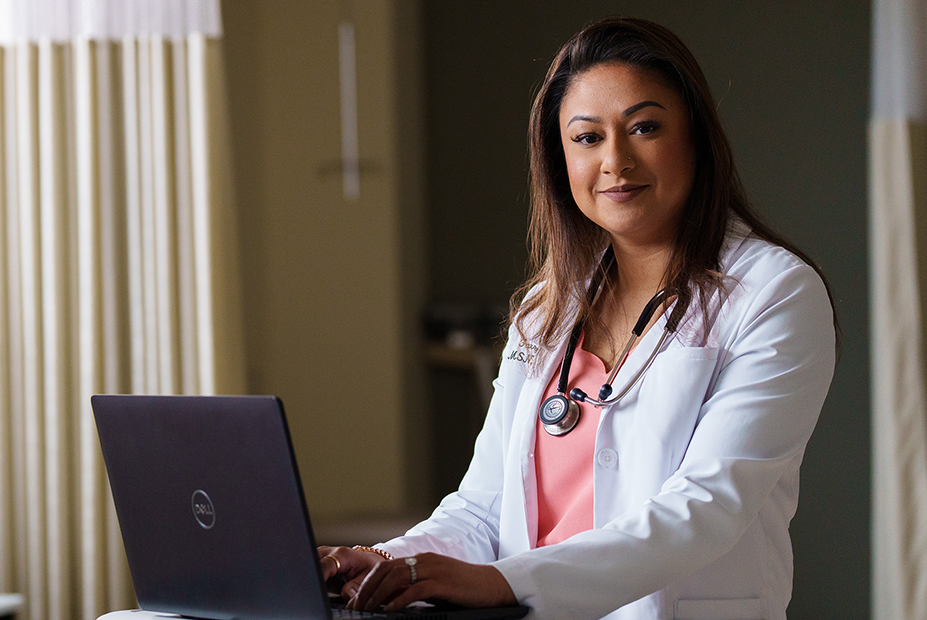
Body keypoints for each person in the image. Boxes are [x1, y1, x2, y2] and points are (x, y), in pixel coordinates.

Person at [317, 17, 837, 620]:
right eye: (587, 138)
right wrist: (388, 562)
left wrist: (505, 582)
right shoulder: (548, 308)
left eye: (645, 127)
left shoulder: (774, 294)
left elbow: (706, 506)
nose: (616, 160)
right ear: (560, 158)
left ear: (696, 136)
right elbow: (483, 508)